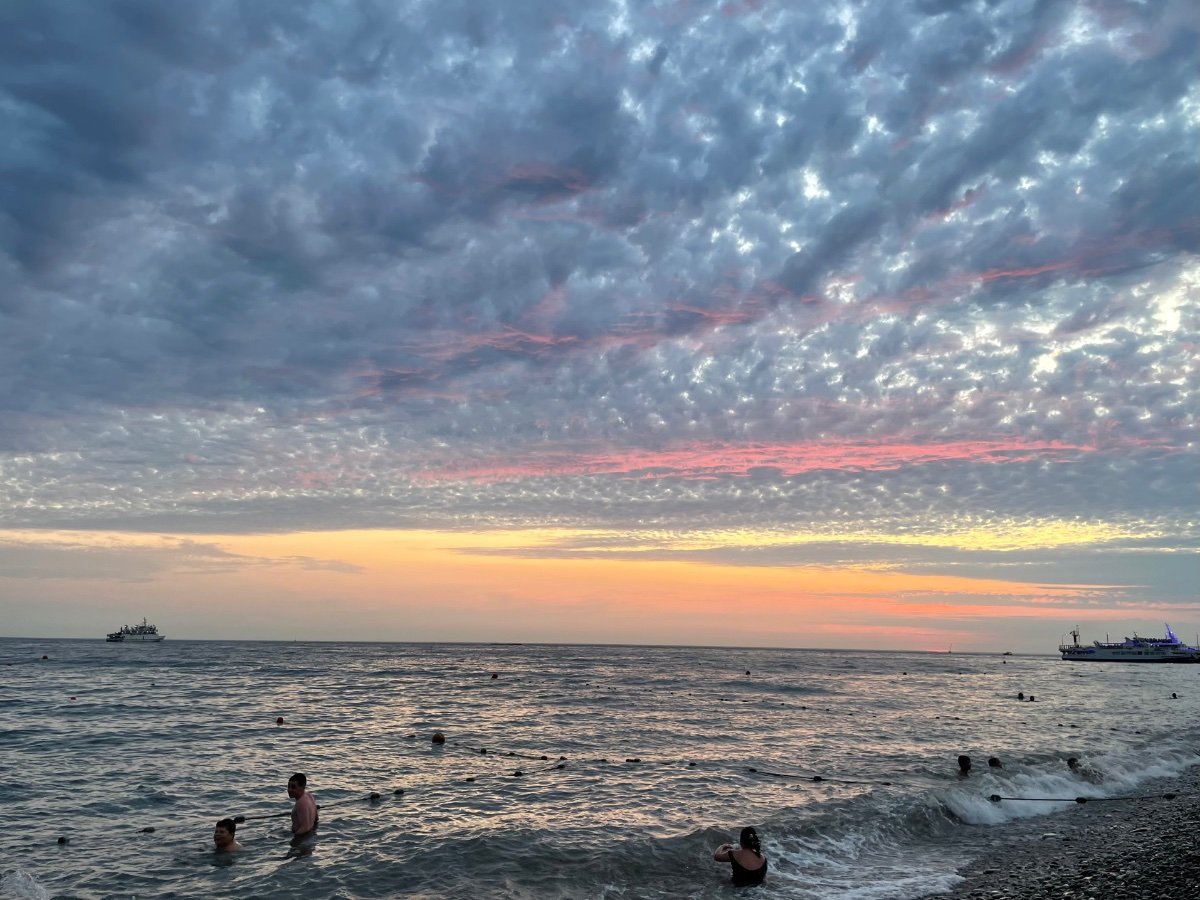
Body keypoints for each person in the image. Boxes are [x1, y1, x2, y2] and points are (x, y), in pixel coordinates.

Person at [288, 773, 319, 837]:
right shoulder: (310, 796)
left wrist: (293, 839)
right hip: (310, 836)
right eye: (288, 786)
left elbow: (305, 828)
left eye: (293, 787)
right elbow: (316, 819)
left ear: (303, 787)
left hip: (302, 838)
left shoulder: (300, 803)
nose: (290, 790)